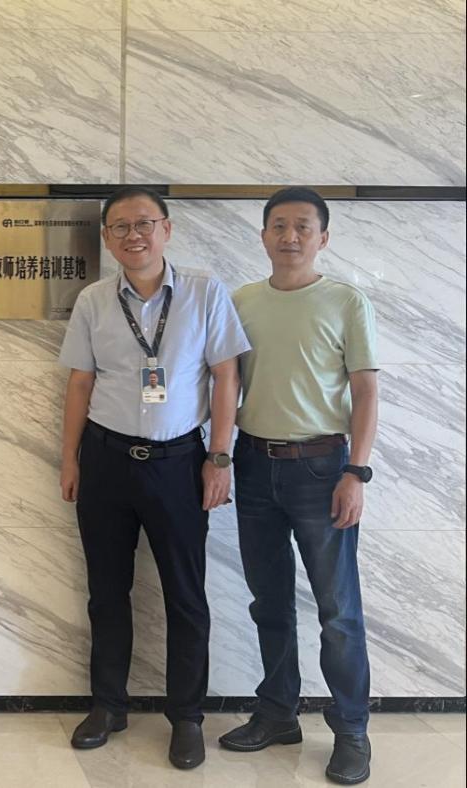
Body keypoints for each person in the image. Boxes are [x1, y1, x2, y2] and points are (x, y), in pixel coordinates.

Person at [59, 186, 249, 769]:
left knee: (186, 597)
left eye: (144, 223)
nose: (133, 235)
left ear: (166, 229)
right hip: (106, 460)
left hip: (180, 464)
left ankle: (187, 717)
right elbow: (80, 383)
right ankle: (108, 706)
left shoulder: (205, 293)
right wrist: (70, 459)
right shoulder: (94, 300)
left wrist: (220, 457)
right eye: (120, 226)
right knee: (106, 592)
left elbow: (227, 377)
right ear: (107, 238)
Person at [219, 187, 378, 786]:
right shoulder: (241, 302)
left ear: (322, 237)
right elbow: (226, 385)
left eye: (302, 227)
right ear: (263, 235)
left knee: (338, 611)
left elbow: (365, 390)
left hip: (323, 468)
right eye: (279, 226)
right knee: (269, 601)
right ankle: (278, 712)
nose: (290, 237)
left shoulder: (346, 301)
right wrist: (218, 457)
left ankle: (353, 731)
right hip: (254, 464)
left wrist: (355, 472)